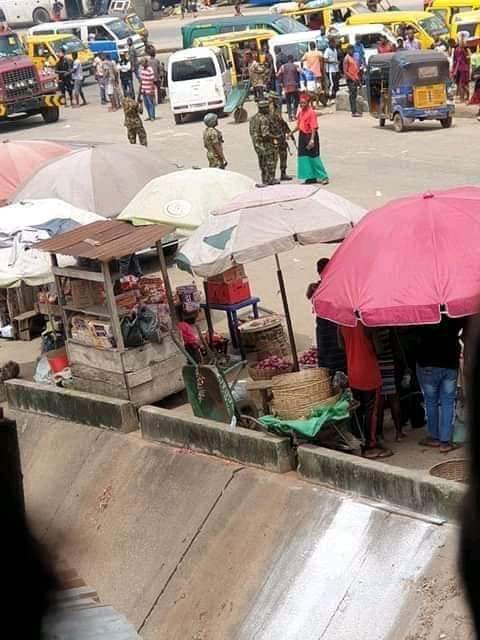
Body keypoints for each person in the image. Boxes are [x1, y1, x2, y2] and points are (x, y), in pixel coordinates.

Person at [340, 323, 393, 459]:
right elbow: (379, 349)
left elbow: (341, 346)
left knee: (358, 410)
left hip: (353, 373)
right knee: (372, 412)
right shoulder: (367, 324)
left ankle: (361, 441)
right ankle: (371, 445)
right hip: (370, 374)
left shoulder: (342, 324)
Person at [415, 317, 463, 453]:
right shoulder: (452, 312)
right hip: (449, 365)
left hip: (427, 364)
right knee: (448, 402)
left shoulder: (424, 310)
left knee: (431, 401)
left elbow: (414, 335)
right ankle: (445, 442)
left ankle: (434, 437)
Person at [307, 258, 346, 374]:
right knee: (339, 356)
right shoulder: (335, 285)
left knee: (327, 357)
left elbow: (309, 295)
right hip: (334, 326)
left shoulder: (316, 287)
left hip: (324, 328)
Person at [291, 93, 328, 185]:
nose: (302, 105)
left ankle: (323, 176)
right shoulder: (300, 113)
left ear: (308, 103)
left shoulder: (311, 113)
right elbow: (299, 125)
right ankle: (310, 176)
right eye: (300, 103)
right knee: (304, 157)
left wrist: (312, 140)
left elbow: (313, 128)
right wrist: (291, 133)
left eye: (304, 103)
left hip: (310, 136)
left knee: (314, 157)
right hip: (302, 136)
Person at [374, 329, 405, 442]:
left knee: (380, 403)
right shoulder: (389, 328)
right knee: (394, 399)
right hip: (390, 363)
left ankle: (380, 434)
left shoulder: (371, 327)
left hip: (377, 365)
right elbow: (397, 347)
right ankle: (399, 433)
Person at [249, 99, 279, 187]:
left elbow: (251, 131)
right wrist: (276, 137)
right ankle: (269, 180)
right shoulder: (264, 119)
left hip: (257, 144)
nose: (269, 109)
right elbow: (265, 134)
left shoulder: (253, 118)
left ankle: (265, 179)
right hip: (265, 144)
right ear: (263, 109)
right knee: (270, 162)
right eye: (267, 108)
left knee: (262, 162)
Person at [269, 93, 293, 181]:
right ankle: (271, 176)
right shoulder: (268, 110)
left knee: (283, 155)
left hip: (281, 135)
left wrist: (287, 130)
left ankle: (283, 173)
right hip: (274, 136)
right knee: (274, 157)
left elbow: (281, 121)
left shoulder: (277, 108)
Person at [277, 54, 300, 121]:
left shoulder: (283, 67)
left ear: (287, 59)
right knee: (296, 100)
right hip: (294, 86)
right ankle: (294, 115)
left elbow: (278, 75)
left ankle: (290, 117)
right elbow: (301, 72)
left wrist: (281, 83)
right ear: (292, 59)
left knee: (288, 102)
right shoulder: (295, 66)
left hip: (286, 87)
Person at [343, 44, 361, 117]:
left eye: (353, 50)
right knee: (352, 95)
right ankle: (353, 111)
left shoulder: (353, 57)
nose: (352, 51)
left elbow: (355, 69)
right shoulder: (346, 58)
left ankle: (355, 110)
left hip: (355, 79)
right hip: (350, 80)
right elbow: (345, 71)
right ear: (348, 50)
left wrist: (358, 80)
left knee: (355, 95)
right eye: (350, 50)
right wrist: (352, 78)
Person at [453, 36, 470, 103]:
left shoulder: (458, 50)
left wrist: (455, 71)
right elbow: (466, 60)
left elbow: (458, 61)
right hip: (464, 68)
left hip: (460, 69)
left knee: (461, 85)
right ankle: (466, 97)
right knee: (464, 84)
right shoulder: (463, 51)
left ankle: (462, 99)